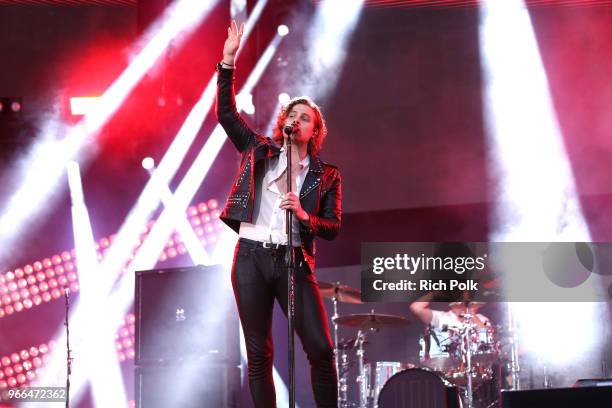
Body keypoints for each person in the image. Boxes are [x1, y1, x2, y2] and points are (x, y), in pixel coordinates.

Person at [215, 21, 341, 408]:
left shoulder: (326, 175)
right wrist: (228, 61)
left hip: (293, 261)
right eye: (293, 114)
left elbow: (333, 227)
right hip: (251, 256)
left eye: (305, 117)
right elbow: (226, 115)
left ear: (314, 131)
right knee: (259, 355)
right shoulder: (258, 149)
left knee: (320, 349)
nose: (297, 120)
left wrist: (304, 216)